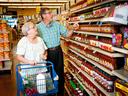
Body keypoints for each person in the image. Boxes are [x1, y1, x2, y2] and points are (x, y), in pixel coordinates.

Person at [36, 8, 79, 96]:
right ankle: (50, 93)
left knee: (60, 73)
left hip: (58, 51)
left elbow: (67, 34)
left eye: (51, 13)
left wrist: (73, 29)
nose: (51, 15)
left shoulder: (57, 24)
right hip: (46, 53)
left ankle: (60, 93)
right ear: (43, 16)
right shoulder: (38, 27)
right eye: (49, 13)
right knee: (48, 74)